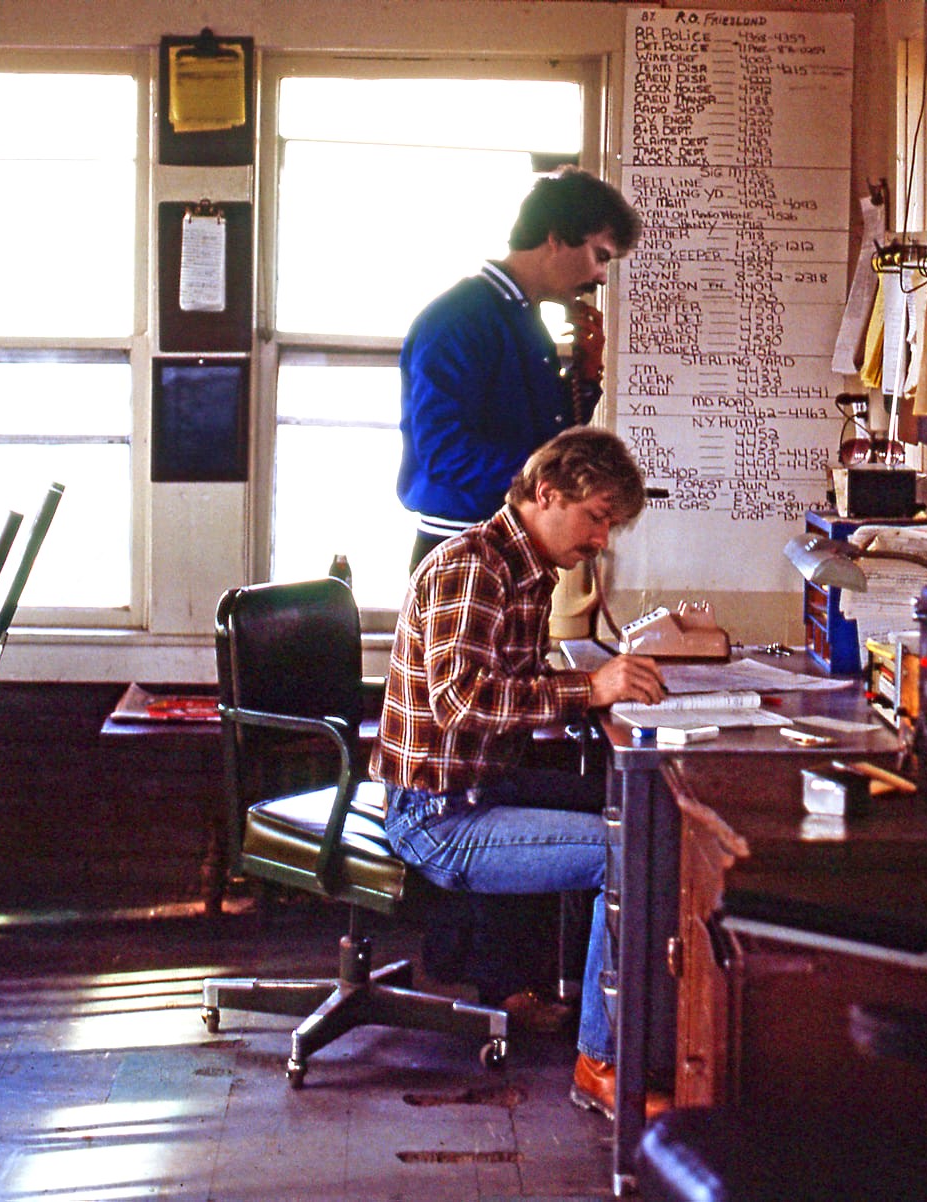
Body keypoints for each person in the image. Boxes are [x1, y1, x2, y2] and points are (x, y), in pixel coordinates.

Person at [370, 426, 668, 1119]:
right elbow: (460, 700)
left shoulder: (524, 568)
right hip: (438, 817)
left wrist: (587, 693)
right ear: (546, 493)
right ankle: (604, 1064)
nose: (600, 541)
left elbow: (512, 685)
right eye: (596, 519)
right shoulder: (474, 568)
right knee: (628, 852)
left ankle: (574, 1003)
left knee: (641, 808)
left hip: (481, 786)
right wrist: (590, 692)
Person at [397, 166, 642, 571]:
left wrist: (585, 375)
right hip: (463, 540)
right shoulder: (461, 318)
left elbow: (542, 436)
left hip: (510, 536)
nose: (600, 276)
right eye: (599, 256)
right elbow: (443, 451)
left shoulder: (519, 317)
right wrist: (553, 485)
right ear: (557, 238)